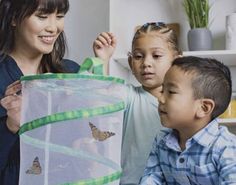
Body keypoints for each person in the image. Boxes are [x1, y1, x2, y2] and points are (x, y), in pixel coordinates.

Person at [0, 0, 81, 184]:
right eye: (42, 16)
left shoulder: (72, 74)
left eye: (60, 16)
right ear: (13, 18)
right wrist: (9, 127)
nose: (53, 27)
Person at [93, 22, 182, 184]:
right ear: (130, 63)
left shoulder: (185, 104)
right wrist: (103, 60)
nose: (146, 63)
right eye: (138, 56)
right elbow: (103, 97)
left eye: (156, 56)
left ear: (176, 61)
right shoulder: (128, 95)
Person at [140, 56, 236, 185]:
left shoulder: (225, 146)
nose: (160, 98)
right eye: (162, 90)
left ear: (203, 107)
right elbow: (152, 177)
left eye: (171, 92)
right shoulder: (161, 140)